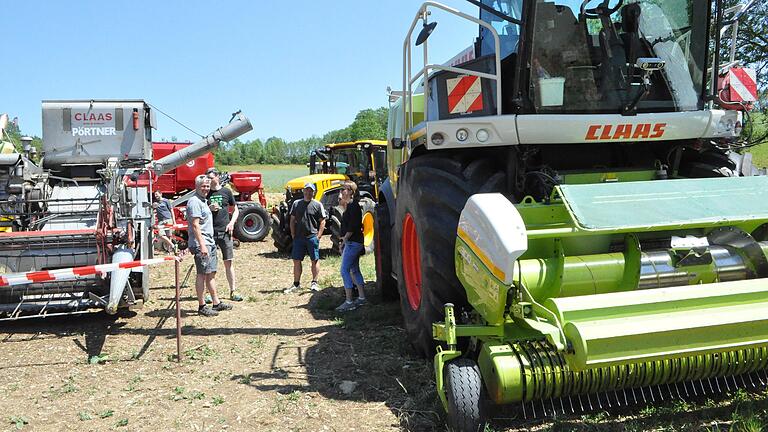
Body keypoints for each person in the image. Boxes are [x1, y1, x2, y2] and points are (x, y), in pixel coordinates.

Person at [187, 174, 232, 317]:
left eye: (207, 186)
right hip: (202, 244)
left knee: (211, 273)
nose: (206, 188)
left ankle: (216, 303)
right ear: (197, 186)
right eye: (203, 186)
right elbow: (195, 225)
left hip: (209, 242)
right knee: (202, 274)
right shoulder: (194, 201)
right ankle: (201, 306)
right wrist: (202, 245)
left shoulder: (203, 201)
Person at [206, 168, 243, 302]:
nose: (209, 181)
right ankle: (209, 293)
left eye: (211, 178)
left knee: (228, 262)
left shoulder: (226, 191)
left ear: (217, 177)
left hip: (225, 232)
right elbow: (201, 211)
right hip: (210, 233)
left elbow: (235, 210)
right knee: (209, 265)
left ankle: (233, 291)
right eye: (207, 178)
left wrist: (232, 223)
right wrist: (209, 209)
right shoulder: (206, 193)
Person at [284, 183, 326, 293]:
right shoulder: (296, 204)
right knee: (296, 260)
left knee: (314, 260)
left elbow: (322, 221)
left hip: (312, 237)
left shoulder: (317, 205)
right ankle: (296, 284)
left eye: (310, 191)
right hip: (299, 237)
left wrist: (319, 236)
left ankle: (314, 283)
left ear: (314, 192)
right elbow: (292, 219)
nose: (308, 193)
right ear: (303, 191)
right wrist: (293, 234)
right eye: (306, 190)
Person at [335, 181, 367, 312]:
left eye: (345, 189)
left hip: (353, 242)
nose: (342, 191)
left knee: (344, 270)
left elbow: (353, 227)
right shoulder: (349, 206)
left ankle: (349, 301)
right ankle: (361, 298)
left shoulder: (354, 206)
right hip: (353, 242)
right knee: (354, 270)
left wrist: (344, 240)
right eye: (342, 189)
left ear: (351, 192)